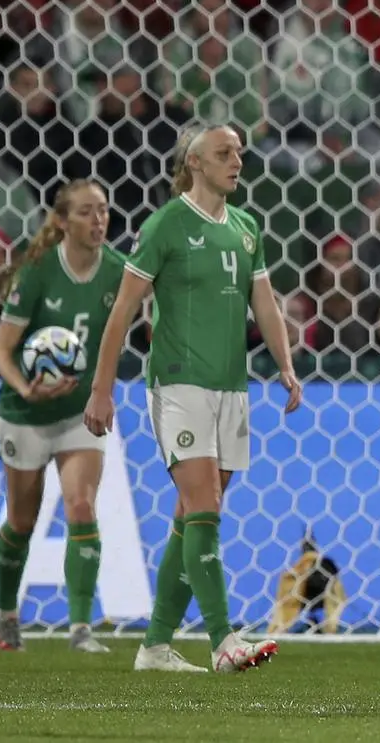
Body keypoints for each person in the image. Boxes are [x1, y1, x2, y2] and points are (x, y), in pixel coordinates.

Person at [83, 124, 302, 674]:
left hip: (233, 386)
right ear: (194, 163)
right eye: (224, 153)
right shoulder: (165, 227)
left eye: (240, 153)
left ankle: (154, 647)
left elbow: (266, 303)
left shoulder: (247, 228)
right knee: (202, 504)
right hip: (179, 385)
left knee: (193, 513)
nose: (237, 161)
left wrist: (286, 366)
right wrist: (102, 389)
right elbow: (123, 312)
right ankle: (223, 640)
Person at [0, 180, 122, 654]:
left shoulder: (120, 272)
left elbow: (147, 325)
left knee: (81, 506)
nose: (98, 220)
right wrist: (28, 387)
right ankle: (7, 616)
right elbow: (2, 349)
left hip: (79, 414)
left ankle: (81, 629)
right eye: (86, 212)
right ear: (62, 221)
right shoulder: (37, 273)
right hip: (25, 413)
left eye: (103, 210)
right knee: (21, 522)